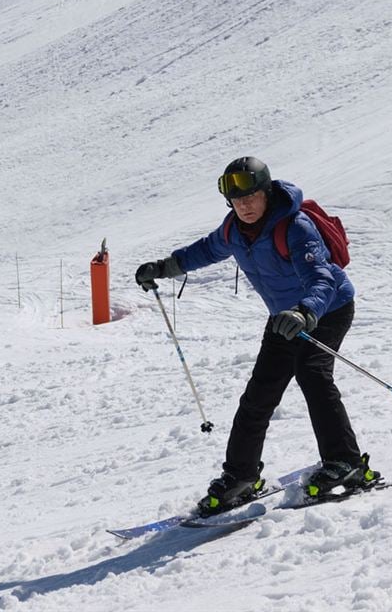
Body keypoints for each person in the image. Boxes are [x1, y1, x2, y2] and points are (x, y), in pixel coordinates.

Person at [134, 156, 378, 516]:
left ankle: (347, 462)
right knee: (259, 394)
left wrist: (305, 311)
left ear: (266, 193)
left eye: (251, 197)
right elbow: (203, 250)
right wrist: (164, 267)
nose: (245, 206)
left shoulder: (295, 227)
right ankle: (241, 475)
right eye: (237, 200)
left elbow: (322, 278)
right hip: (284, 318)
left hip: (325, 309)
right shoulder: (234, 230)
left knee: (312, 374)